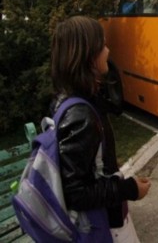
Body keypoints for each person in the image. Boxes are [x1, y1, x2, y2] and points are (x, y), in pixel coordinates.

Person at [51, 16, 151, 242]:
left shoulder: (72, 98)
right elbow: (76, 192)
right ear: (88, 56)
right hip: (104, 224)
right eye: (103, 46)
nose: (108, 50)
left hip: (107, 216)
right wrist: (129, 189)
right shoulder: (80, 116)